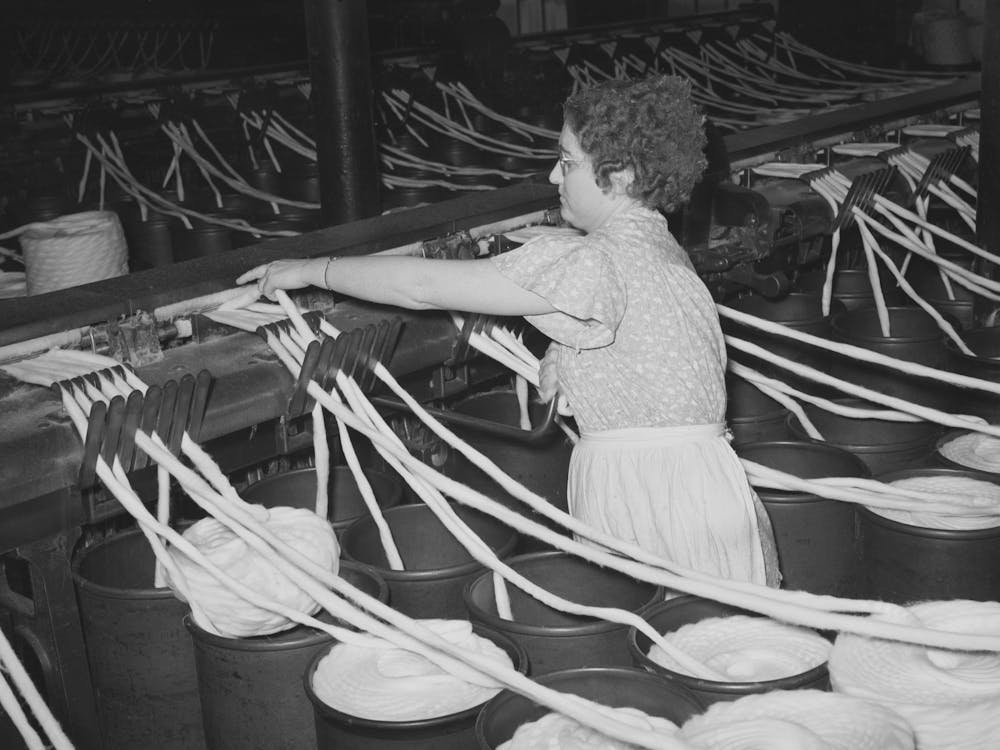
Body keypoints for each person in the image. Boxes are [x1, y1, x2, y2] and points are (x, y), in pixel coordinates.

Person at [237, 74, 780, 587]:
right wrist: (569, 363)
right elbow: (649, 358)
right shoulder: (661, 249)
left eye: (567, 164)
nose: (552, 177)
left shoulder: (596, 262)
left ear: (621, 177)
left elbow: (420, 288)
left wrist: (310, 269)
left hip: (653, 499)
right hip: (704, 489)